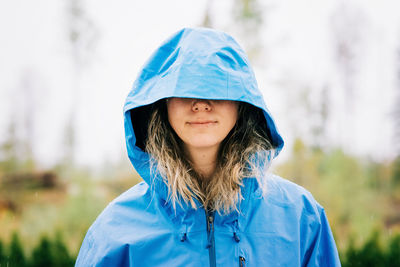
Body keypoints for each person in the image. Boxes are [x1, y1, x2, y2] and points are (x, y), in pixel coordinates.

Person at [75, 27, 341, 266]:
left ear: (242, 101)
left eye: (216, 88)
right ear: (162, 102)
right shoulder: (116, 231)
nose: (201, 104)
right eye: (185, 89)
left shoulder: (300, 218)